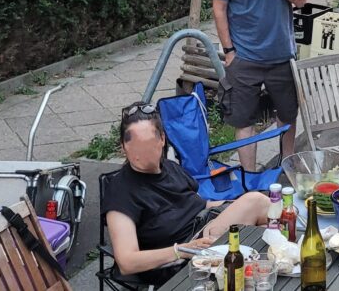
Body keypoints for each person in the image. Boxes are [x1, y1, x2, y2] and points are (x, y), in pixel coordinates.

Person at [103, 104, 271, 283]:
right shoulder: (121, 191)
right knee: (255, 202)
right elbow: (127, 262)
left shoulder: (169, 167)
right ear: (123, 147)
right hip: (182, 257)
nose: (145, 154)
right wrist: (181, 249)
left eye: (150, 145)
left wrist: (232, 204)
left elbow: (200, 204)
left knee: (269, 233)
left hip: (206, 229)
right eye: (138, 147)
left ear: (162, 139)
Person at [205, 0, 308, 168]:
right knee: (243, 121)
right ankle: (249, 178)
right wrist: (229, 51)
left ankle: (288, 166)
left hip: (282, 51)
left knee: (287, 115)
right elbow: (219, 7)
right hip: (245, 54)